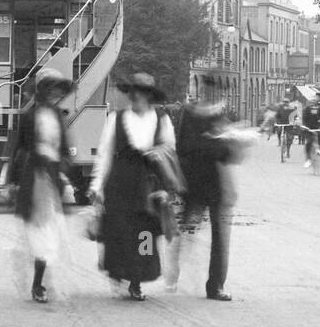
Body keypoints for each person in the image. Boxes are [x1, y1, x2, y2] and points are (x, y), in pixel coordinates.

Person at [90, 73, 177, 301]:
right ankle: (118, 274)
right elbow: (105, 153)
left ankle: (137, 279)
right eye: (134, 92)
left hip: (149, 184)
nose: (137, 96)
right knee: (118, 232)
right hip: (120, 182)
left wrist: (160, 159)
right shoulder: (116, 119)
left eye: (142, 92)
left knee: (145, 233)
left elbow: (170, 151)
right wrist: (96, 185)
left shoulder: (162, 119)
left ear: (149, 96)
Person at [169, 102, 243, 300]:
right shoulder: (190, 115)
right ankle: (174, 268)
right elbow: (184, 148)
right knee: (185, 230)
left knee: (220, 236)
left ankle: (216, 286)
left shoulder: (220, 116)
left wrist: (231, 141)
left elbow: (228, 155)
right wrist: (213, 141)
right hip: (193, 183)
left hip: (216, 183)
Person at [12, 70, 74, 304]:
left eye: (58, 89)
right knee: (38, 234)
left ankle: (40, 278)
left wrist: (65, 167)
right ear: (43, 91)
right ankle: (38, 284)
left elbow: (65, 148)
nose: (55, 94)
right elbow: (18, 149)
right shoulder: (29, 116)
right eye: (51, 89)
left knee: (49, 233)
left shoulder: (59, 116)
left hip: (52, 178)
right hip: (34, 177)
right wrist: (12, 181)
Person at [299, 98, 320, 171]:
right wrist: (304, 126)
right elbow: (303, 119)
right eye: (312, 104)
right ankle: (308, 159)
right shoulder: (306, 110)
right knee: (309, 142)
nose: (314, 106)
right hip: (308, 129)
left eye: (315, 104)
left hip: (317, 128)